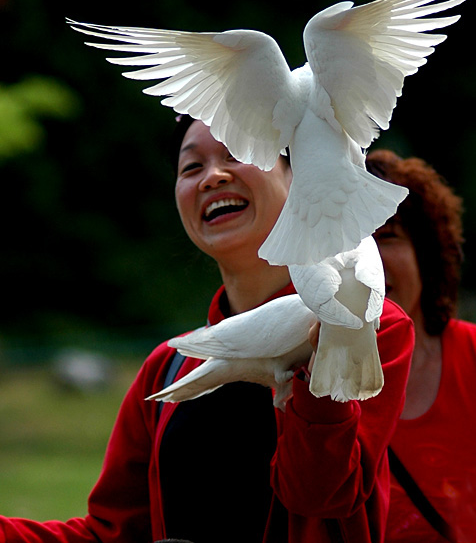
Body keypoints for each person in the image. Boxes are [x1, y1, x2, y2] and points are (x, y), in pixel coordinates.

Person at [0, 118, 414, 543]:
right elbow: (113, 534)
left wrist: (317, 380)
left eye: (238, 152)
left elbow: (321, 496)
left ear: (300, 175)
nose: (213, 176)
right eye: (191, 167)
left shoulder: (372, 325)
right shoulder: (168, 366)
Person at [365, 149, 476, 543]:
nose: (366, 263)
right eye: (349, 242)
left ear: (427, 254)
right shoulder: (304, 395)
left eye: (386, 237)